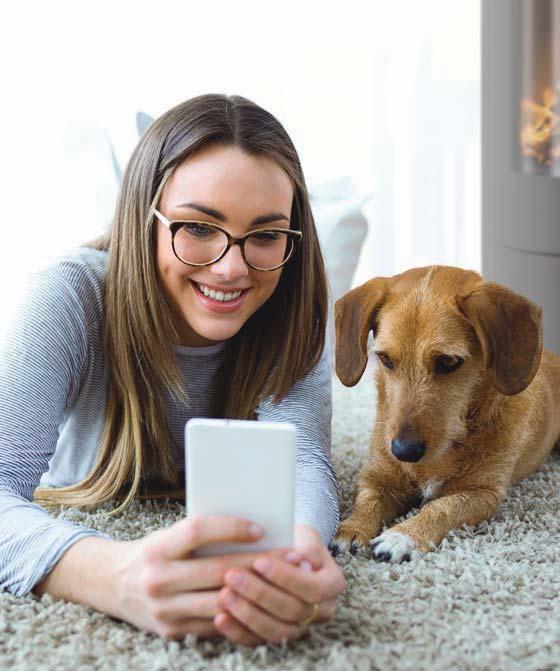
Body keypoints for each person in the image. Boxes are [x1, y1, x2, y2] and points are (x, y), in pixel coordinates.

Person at [0, 93, 345, 645]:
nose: (233, 268)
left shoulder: (292, 303)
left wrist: (300, 551)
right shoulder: (68, 295)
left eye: (265, 235)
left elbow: (304, 458)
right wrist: (114, 577)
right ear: (145, 220)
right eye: (198, 228)